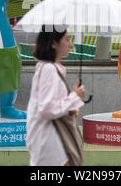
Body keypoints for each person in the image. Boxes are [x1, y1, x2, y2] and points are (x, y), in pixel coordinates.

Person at [26, 25, 85, 166]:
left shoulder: (47, 68)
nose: (70, 44)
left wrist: (71, 105)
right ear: (53, 43)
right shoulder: (49, 70)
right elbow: (47, 109)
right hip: (51, 146)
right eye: (67, 39)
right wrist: (74, 97)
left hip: (52, 144)